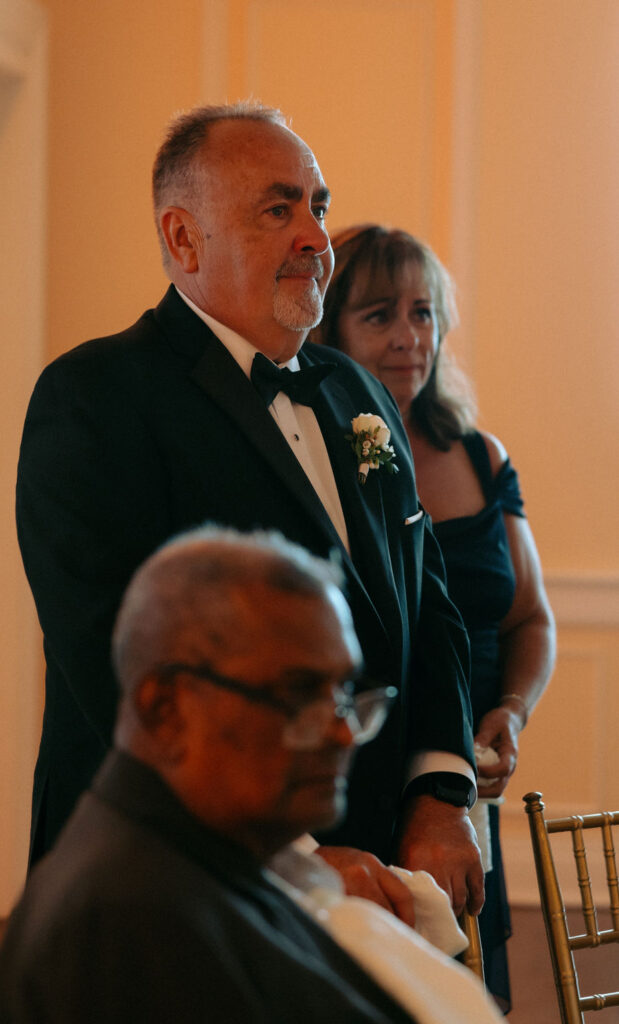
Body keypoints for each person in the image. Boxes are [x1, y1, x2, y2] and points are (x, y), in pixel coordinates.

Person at [16, 101, 483, 915]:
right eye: (279, 208)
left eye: (319, 206)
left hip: (379, 867)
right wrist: (291, 858)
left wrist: (438, 790)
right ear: (182, 239)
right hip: (173, 886)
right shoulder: (94, 398)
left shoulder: (358, 393)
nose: (315, 237)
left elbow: (427, 605)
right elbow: (120, 667)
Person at [0, 528, 502, 1024]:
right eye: (298, 694)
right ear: (166, 708)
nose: (344, 734)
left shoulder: (209, 860)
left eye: (345, 694)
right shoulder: (133, 920)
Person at [312, 224, 556, 1010]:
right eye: (379, 315)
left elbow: (530, 620)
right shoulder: (314, 455)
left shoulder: (480, 455)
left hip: (464, 789)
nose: (408, 338)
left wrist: (509, 712)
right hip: (362, 784)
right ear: (329, 326)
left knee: (467, 998)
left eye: (422, 313)